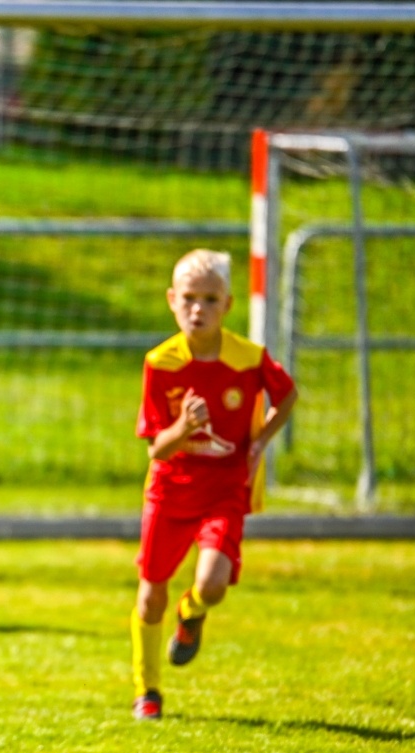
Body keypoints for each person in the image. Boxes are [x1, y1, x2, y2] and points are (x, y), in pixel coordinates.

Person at [131, 249, 298, 721]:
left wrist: (259, 442)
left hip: (226, 487)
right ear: (171, 301)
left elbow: (287, 396)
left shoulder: (248, 359)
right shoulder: (160, 363)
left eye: (209, 299)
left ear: (227, 305)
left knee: (213, 583)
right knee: (150, 593)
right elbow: (156, 449)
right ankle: (148, 691)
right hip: (171, 487)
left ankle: (191, 615)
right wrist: (182, 429)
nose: (197, 308)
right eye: (188, 298)